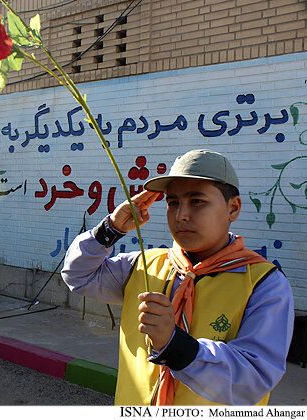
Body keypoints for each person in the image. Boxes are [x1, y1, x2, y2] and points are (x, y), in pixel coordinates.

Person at [61, 149, 294, 406]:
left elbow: (253, 380)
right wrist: (111, 229)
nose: (181, 214)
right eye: (173, 203)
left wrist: (174, 344)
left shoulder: (263, 284)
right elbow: (78, 276)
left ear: (233, 208)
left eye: (197, 201)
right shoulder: (144, 265)